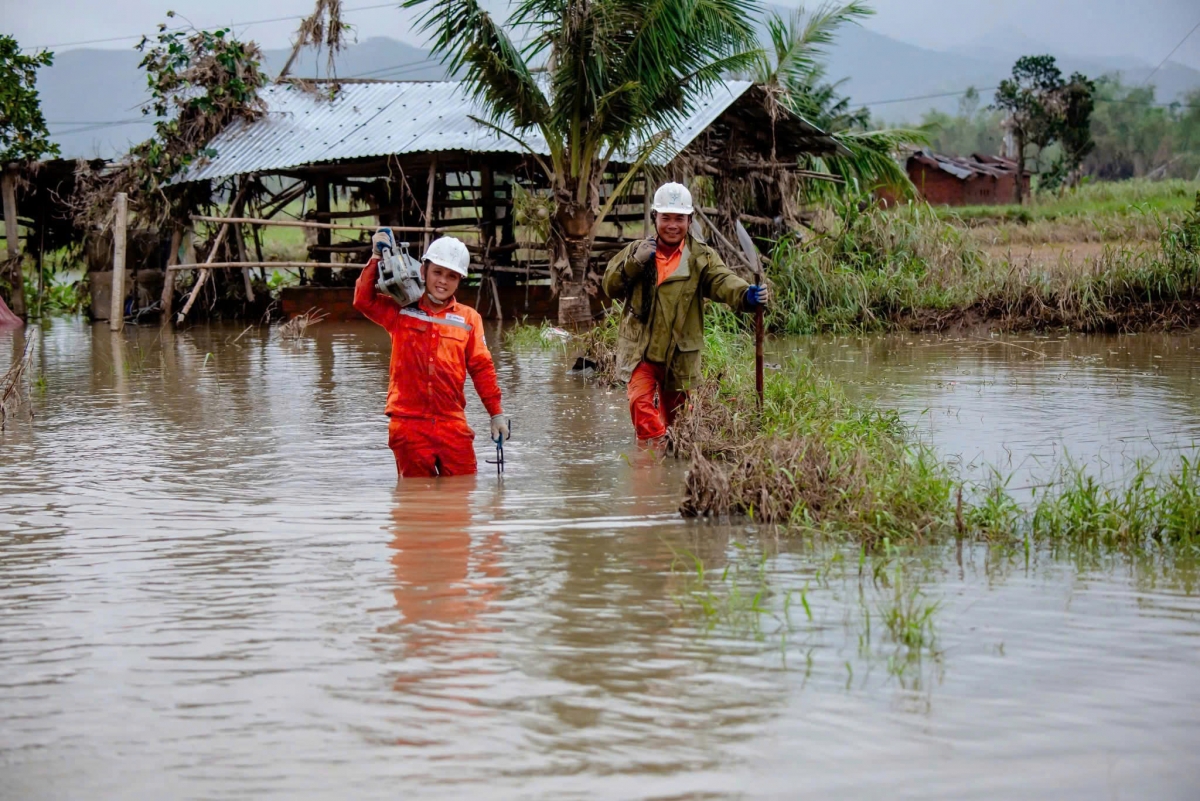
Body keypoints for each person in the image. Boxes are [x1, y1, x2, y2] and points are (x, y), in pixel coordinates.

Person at [602, 182, 768, 446]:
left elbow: (722, 281)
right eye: (665, 217)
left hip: (680, 353)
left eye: (679, 218)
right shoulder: (636, 251)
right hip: (641, 350)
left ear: (689, 221)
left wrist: (746, 295)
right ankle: (653, 464)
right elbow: (610, 285)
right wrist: (634, 264)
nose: (672, 225)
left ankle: (672, 467)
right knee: (639, 403)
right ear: (654, 217)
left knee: (678, 421)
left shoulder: (701, 257)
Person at [354, 231, 510, 477]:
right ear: (423, 271)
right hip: (408, 424)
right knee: (414, 501)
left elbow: (482, 369)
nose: (443, 281)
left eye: (452, 276)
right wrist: (375, 257)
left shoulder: (469, 319)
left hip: (452, 423)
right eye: (437, 272)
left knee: (462, 493)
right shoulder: (400, 311)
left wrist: (496, 414)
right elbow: (363, 300)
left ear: (459, 280)